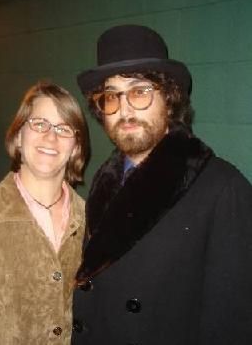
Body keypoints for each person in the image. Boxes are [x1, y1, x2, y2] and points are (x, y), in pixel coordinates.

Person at [71, 25, 252, 345]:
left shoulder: (223, 190)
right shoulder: (106, 179)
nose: (124, 109)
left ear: (169, 99)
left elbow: (231, 326)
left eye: (139, 91)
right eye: (111, 96)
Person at [0, 81, 89, 344]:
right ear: (19, 136)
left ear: (76, 147)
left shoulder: (94, 223)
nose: (50, 137)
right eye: (39, 124)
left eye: (63, 128)